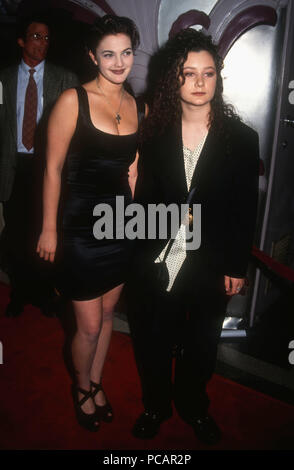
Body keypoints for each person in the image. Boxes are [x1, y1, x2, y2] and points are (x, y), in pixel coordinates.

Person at [127, 28, 259, 445]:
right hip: (157, 257)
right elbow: (143, 198)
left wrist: (237, 265)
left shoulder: (241, 139)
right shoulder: (153, 133)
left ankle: (193, 406)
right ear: (174, 79)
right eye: (189, 73)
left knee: (201, 345)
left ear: (218, 78)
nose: (200, 83)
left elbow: (244, 208)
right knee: (152, 339)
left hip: (211, 260)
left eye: (208, 74)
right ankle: (156, 406)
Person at [37, 15, 143, 432]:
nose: (119, 63)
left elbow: (132, 167)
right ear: (92, 57)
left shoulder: (135, 102)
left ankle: (97, 382)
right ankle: (82, 386)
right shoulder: (71, 101)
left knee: (111, 310)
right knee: (90, 324)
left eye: (127, 53)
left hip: (120, 225)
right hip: (80, 227)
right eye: (109, 54)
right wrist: (49, 229)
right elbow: (51, 168)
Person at [0, 15, 78, 317]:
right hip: (14, 167)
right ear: (21, 40)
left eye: (46, 38)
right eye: (35, 36)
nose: (42, 43)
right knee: (18, 236)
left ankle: (46, 292)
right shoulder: (4, 79)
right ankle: (20, 291)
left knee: (47, 232)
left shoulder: (64, 79)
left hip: (49, 169)